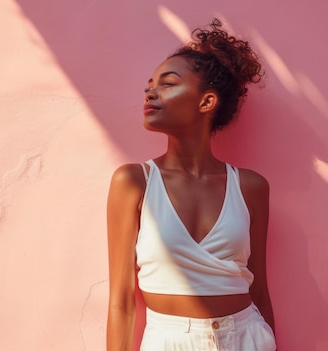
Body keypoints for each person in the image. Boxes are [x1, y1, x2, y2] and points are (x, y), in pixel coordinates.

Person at [106, 18, 276, 351]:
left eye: (168, 83)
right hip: (168, 340)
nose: (150, 92)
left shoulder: (251, 187)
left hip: (246, 337)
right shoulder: (133, 182)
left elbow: (258, 290)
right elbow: (121, 301)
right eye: (150, 85)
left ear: (206, 102)